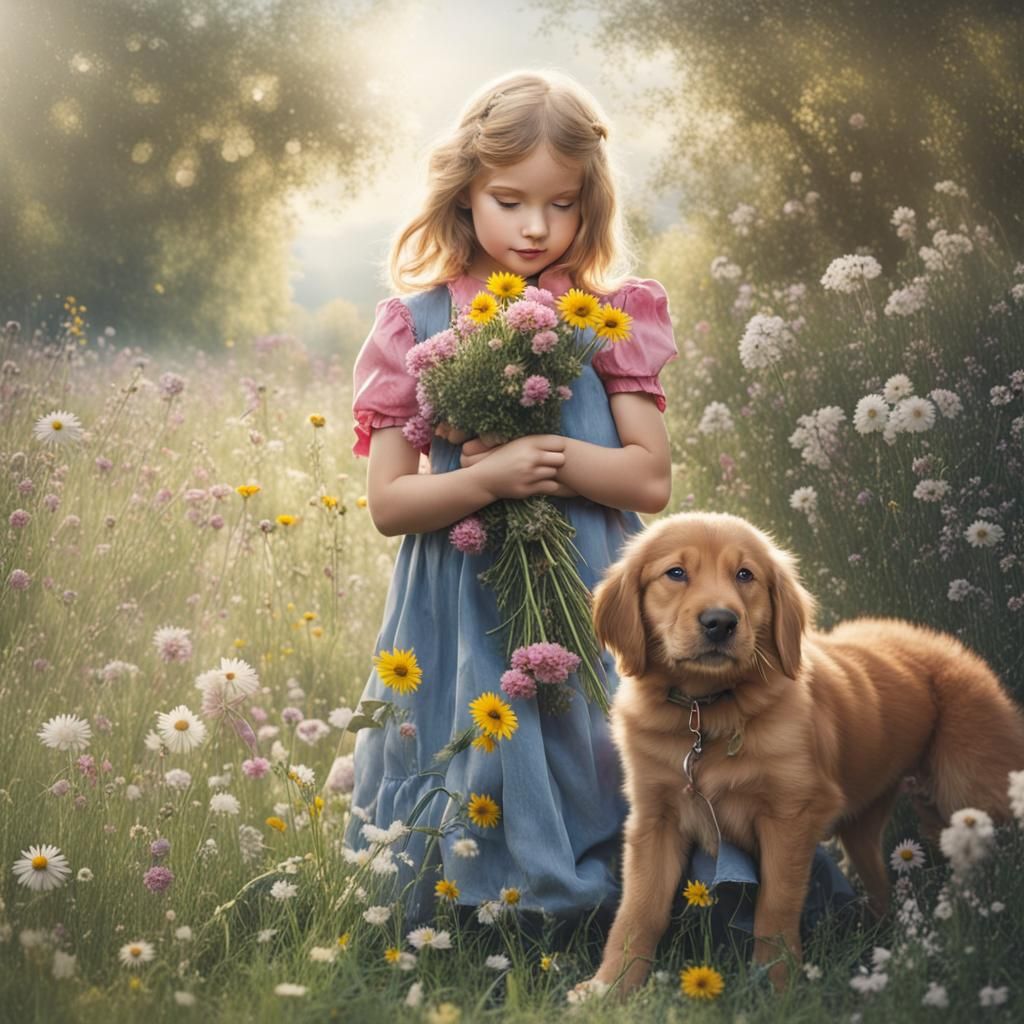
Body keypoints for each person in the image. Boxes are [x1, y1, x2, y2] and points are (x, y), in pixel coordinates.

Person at [342, 68, 855, 947]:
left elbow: (650, 482)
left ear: (591, 205)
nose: (536, 226)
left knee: (593, 751)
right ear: (464, 193)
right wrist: (487, 479)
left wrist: (561, 461)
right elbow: (391, 502)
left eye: (563, 205)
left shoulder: (607, 316)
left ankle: (641, 910)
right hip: (454, 603)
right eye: (509, 201)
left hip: (585, 587)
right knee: (468, 742)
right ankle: (469, 914)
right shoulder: (415, 325)